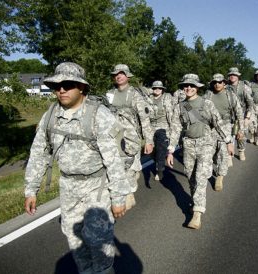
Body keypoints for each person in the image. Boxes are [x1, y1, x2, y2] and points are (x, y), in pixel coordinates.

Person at [24, 62, 129, 274]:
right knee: (74, 241)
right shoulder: (51, 115)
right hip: (68, 187)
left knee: (99, 245)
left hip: (96, 187)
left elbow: (114, 160)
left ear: (81, 87)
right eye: (57, 85)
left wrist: (118, 198)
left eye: (68, 84)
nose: (61, 90)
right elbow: (38, 152)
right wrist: (31, 189)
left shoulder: (99, 115)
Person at [166, 74, 233, 229]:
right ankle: (197, 201)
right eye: (186, 86)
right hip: (188, 145)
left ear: (197, 88)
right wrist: (170, 150)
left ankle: (197, 213)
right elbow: (175, 129)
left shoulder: (207, 103)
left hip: (205, 143)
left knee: (201, 177)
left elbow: (218, 123)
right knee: (191, 177)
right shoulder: (179, 107)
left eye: (192, 86)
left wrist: (228, 141)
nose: (188, 88)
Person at [105, 64, 154, 209]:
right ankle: (124, 190)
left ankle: (130, 192)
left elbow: (144, 119)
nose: (118, 76)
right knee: (116, 166)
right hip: (113, 136)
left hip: (131, 138)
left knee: (131, 166)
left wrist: (149, 141)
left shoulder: (134, 94)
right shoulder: (109, 94)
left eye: (121, 74)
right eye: (116, 74)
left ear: (127, 76)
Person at [203, 73, 244, 191]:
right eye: (214, 82)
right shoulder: (208, 95)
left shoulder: (230, 95)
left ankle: (220, 177)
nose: (217, 84)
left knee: (223, 154)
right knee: (207, 153)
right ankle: (206, 173)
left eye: (220, 82)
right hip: (210, 127)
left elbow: (239, 113)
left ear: (224, 83)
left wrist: (241, 130)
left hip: (225, 127)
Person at [225, 67, 254, 161]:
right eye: (231, 75)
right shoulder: (225, 86)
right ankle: (229, 155)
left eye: (234, 75)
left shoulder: (244, 87)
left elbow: (250, 103)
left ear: (238, 76)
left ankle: (241, 151)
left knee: (241, 136)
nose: (232, 76)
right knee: (227, 137)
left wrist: (247, 117)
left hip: (241, 116)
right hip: (228, 117)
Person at [148, 80, 174, 181]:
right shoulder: (148, 99)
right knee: (151, 151)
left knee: (160, 147)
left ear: (162, 89)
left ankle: (160, 169)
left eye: (159, 88)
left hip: (163, 126)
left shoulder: (166, 98)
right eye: (155, 88)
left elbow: (170, 114)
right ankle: (159, 161)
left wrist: (172, 128)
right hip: (150, 127)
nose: (157, 90)